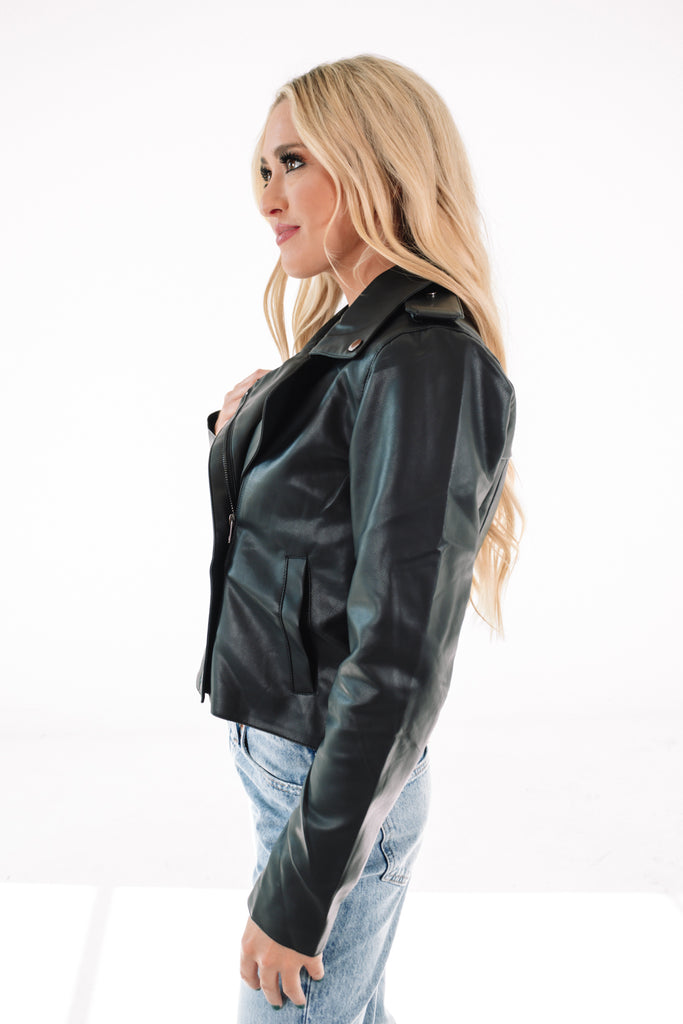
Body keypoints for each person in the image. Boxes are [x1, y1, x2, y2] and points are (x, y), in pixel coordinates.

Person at [196, 54, 523, 1023]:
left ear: (378, 162)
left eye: (293, 162)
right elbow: (314, 527)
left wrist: (300, 892)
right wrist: (240, 429)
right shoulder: (360, 338)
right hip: (300, 770)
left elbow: (396, 657)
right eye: (262, 169)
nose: (267, 196)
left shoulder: (422, 359)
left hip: (328, 795)